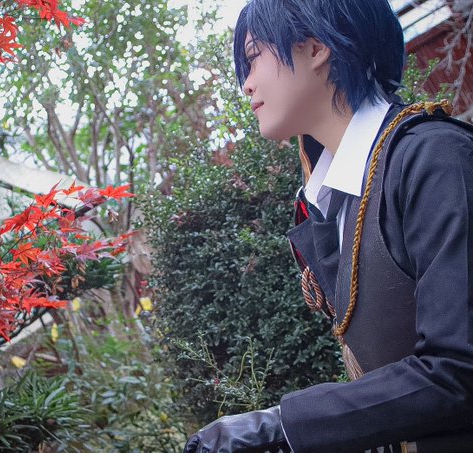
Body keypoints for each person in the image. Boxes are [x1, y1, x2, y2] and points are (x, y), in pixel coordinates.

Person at [183, 1, 473, 452]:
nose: (247, 84)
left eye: (254, 56)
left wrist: (281, 426)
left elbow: (458, 371)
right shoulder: (336, 198)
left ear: (316, 49)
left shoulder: (435, 159)